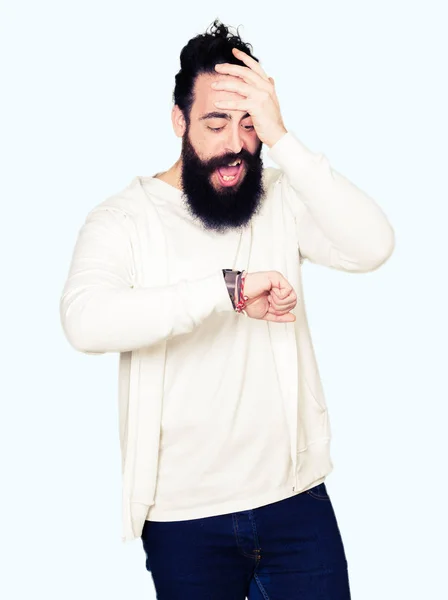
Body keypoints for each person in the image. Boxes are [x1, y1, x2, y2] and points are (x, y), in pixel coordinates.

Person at [59, 19, 395, 600]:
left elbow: (374, 246)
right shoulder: (125, 219)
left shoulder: (279, 198)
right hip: (184, 520)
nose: (236, 144)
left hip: (296, 504)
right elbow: (85, 320)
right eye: (215, 123)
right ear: (178, 120)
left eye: (250, 124)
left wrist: (284, 138)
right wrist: (227, 291)